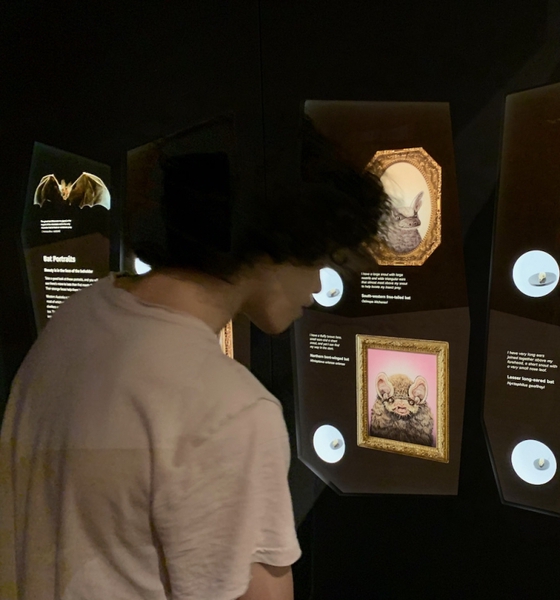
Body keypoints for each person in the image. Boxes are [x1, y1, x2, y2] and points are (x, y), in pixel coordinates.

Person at [0, 118, 388, 599]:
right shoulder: (230, 412)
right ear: (281, 240)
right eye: (320, 259)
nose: (316, 287)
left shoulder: (78, 317)